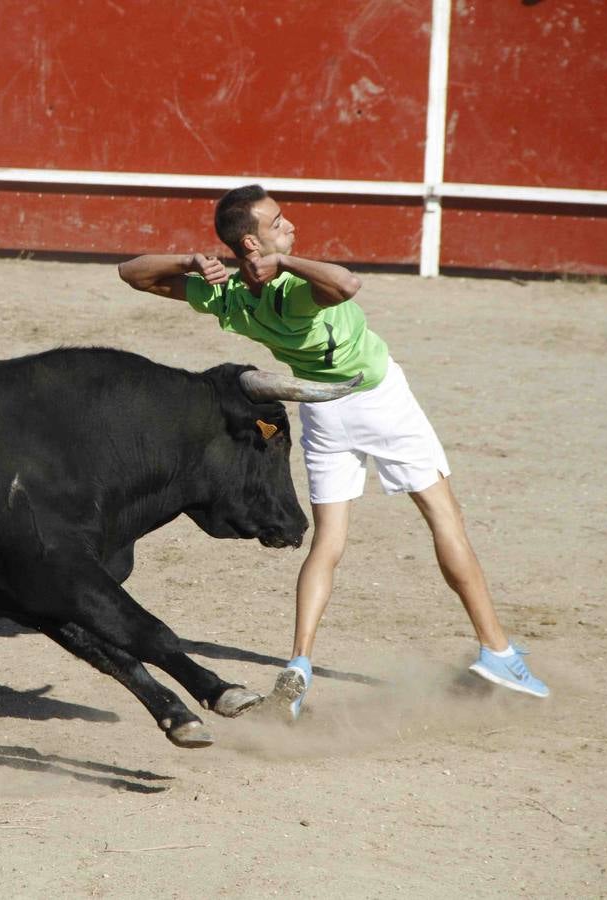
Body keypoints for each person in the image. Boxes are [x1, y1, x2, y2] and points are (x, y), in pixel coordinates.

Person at [116, 184, 548, 719]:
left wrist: (191, 260)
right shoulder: (296, 290)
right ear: (252, 242)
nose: (290, 226)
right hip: (382, 402)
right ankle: (498, 653)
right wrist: (285, 262)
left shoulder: (224, 297)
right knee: (445, 519)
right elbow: (347, 283)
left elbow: (131, 273)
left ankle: (299, 664)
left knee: (330, 542)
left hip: (324, 411)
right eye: (278, 224)